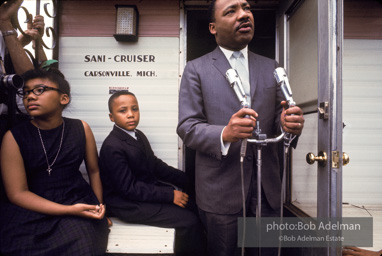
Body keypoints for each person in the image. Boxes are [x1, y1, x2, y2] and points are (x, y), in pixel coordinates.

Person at [176, 0, 304, 255]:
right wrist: (224, 133)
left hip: (267, 191)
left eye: (246, 8)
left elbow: (282, 117)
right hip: (221, 193)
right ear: (213, 27)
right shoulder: (195, 69)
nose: (244, 15)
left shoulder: (272, 67)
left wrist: (290, 125)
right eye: (231, 11)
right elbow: (187, 127)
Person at [0, 67, 109, 255]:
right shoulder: (13, 137)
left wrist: (98, 209)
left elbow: (94, 171)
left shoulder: (80, 128)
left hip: (75, 200)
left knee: (83, 246)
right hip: (29, 209)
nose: (30, 97)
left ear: (63, 98)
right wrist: (67, 210)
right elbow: (17, 194)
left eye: (39, 90)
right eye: (26, 92)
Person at [99, 91, 206, 256]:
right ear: (111, 117)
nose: (130, 115)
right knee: (189, 222)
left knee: (194, 206)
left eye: (135, 109)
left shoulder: (138, 135)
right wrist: (170, 195)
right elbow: (128, 189)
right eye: (123, 111)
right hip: (127, 204)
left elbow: (155, 165)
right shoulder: (112, 146)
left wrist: (188, 181)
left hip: (144, 195)